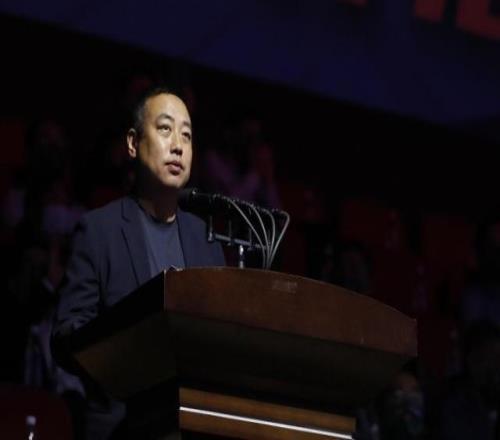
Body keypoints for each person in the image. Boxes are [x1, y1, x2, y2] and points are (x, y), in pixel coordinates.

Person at [51, 86, 225, 439]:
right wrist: (125, 354)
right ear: (132, 143)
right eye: (165, 129)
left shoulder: (206, 241)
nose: (178, 145)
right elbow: (66, 334)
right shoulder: (99, 230)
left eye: (187, 135)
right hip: (122, 426)